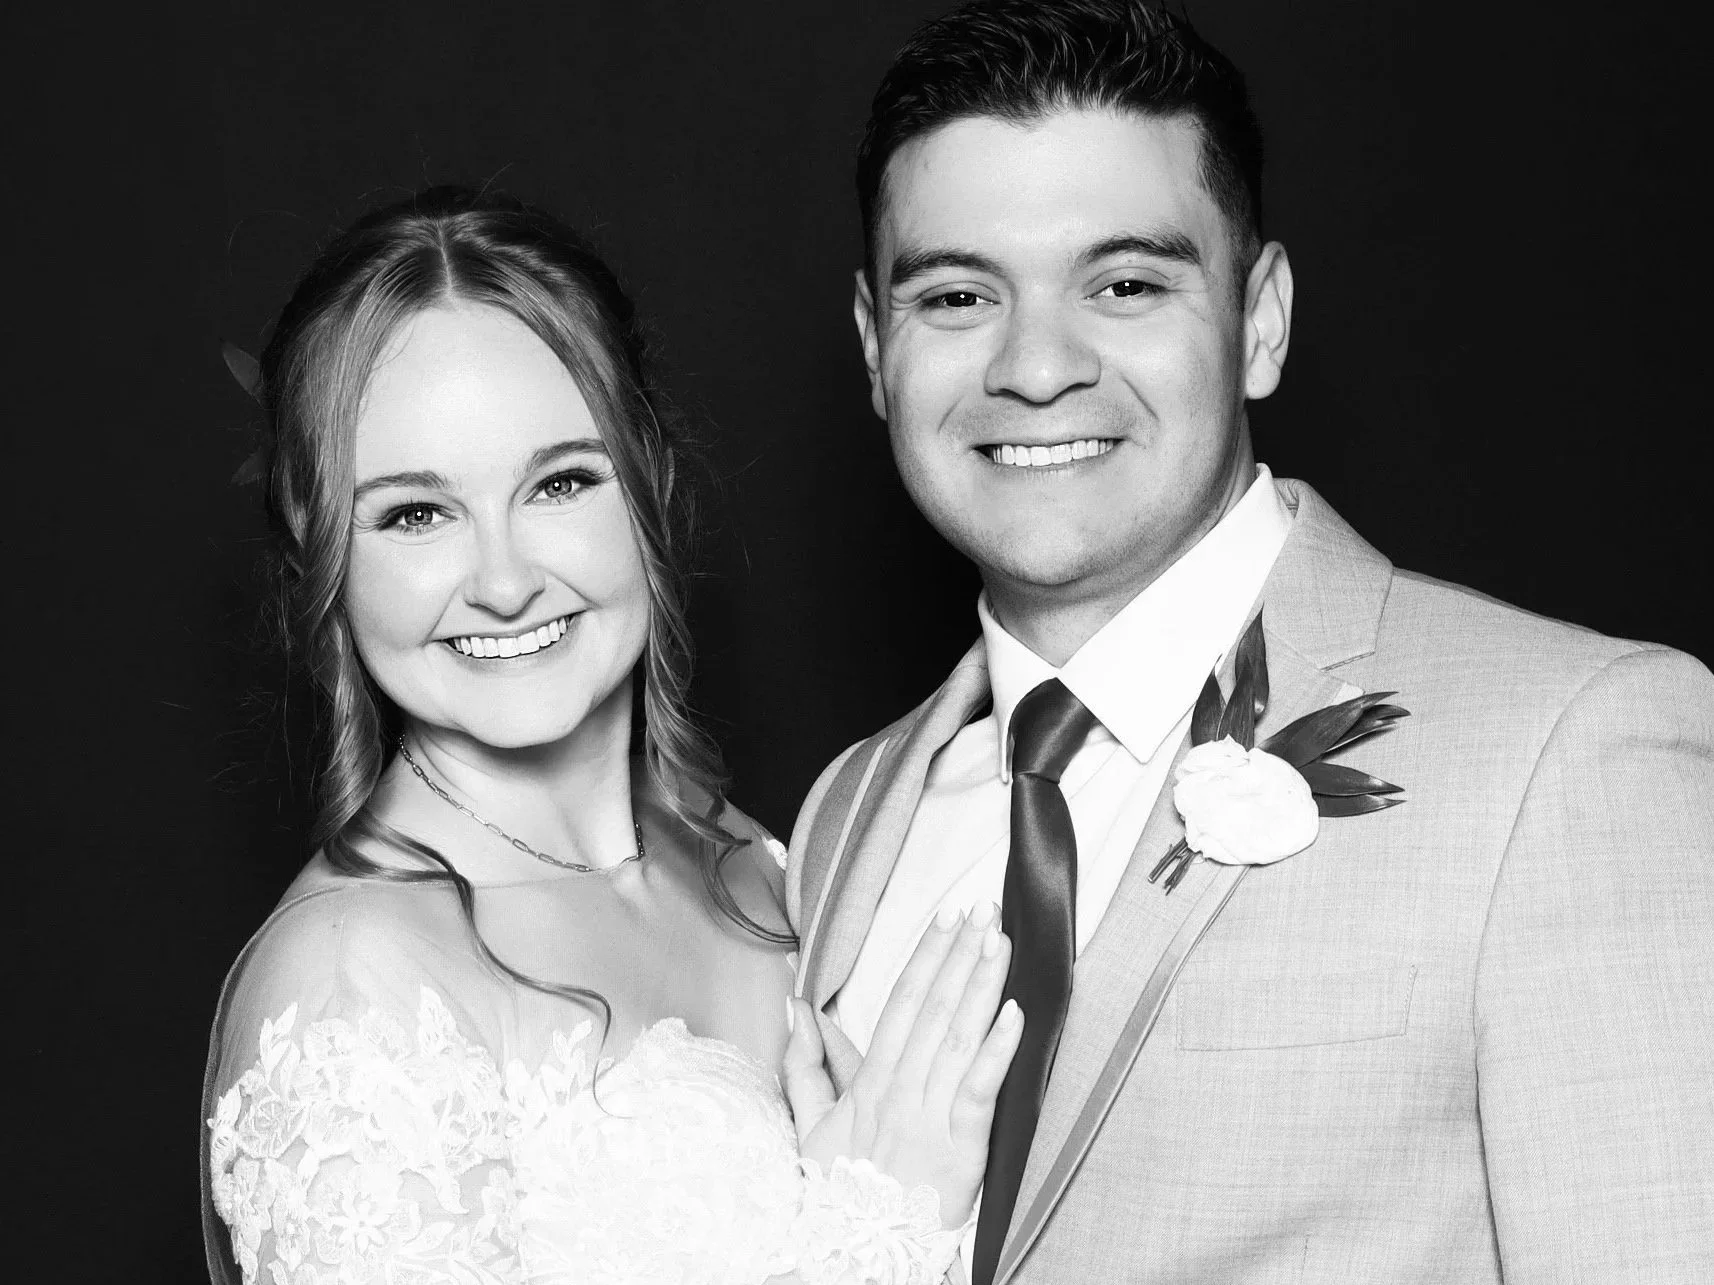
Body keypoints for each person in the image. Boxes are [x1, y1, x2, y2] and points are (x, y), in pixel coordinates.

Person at [785, 2, 1714, 1283]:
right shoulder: (844, 812)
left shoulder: (1572, 749)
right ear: (875, 349)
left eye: (1124, 284)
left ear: (1259, 317)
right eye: (954, 295)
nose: (1037, 365)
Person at [201, 186, 1025, 1285]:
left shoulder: (766, 862)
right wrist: (878, 1227)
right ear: (323, 559)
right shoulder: (356, 984)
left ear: (652, 485)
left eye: (560, 483)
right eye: (414, 513)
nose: (502, 580)